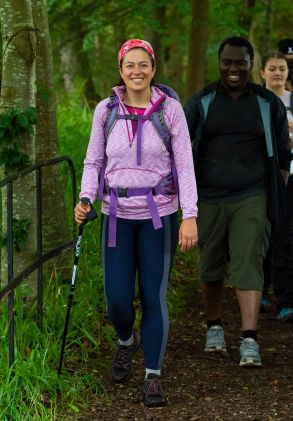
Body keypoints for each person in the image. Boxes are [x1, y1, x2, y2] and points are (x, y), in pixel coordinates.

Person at [74, 39, 198, 406]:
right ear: (121, 70)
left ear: (154, 69)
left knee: (153, 296)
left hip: (159, 217)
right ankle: (126, 341)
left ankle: (153, 376)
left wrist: (189, 216)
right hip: (115, 216)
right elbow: (93, 162)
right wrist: (85, 198)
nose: (137, 71)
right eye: (130, 65)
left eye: (143, 65)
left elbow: (186, 166)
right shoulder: (105, 110)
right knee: (117, 301)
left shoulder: (171, 111)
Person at [184, 36, 291, 367]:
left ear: (250, 64)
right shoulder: (202, 101)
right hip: (209, 197)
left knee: (248, 263)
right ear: (219, 63)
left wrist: (276, 191)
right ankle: (214, 327)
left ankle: (249, 339)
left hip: (252, 195)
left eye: (240, 63)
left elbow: (284, 154)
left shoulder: (266, 103)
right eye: (227, 62)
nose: (233, 69)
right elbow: (181, 149)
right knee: (210, 265)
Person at [260, 51, 293, 322]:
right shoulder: (253, 99)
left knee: (285, 238)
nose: (278, 73)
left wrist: (286, 134)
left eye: (282, 69)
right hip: (258, 177)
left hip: (290, 178)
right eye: (272, 69)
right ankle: (260, 291)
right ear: (262, 73)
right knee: (260, 236)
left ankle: (287, 300)